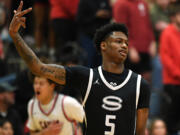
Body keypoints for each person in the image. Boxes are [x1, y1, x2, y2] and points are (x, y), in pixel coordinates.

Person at [8, 1, 150, 135]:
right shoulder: (86, 77)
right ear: (104, 46)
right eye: (119, 41)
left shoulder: (140, 84)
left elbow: (140, 132)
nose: (124, 46)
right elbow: (39, 68)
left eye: (126, 42)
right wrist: (15, 36)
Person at [159, 2, 180, 135]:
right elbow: (165, 57)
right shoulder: (167, 32)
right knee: (173, 111)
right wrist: (177, 73)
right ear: (175, 16)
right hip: (172, 81)